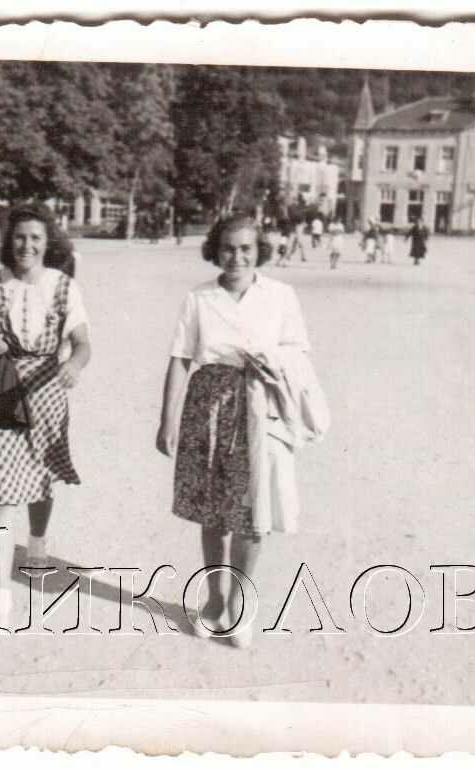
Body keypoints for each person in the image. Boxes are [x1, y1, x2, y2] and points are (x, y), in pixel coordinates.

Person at [156, 212, 327, 649]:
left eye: (246, 248)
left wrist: (272, 359)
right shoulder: (200, 297)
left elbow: (299, 352)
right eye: (229, 248)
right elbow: (180, 358)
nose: (237, 256)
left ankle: (241, 603)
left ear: (259, 251)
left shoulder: (281, 295)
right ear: (216, 249)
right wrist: (168, 419)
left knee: (256, 512)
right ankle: (214, 600)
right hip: (209, 405)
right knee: (214, 513)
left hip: (263, 404)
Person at [0, 202, 91, 631]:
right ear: (8, 241)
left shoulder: (63, 285)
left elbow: (83, 342)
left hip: (47, 390)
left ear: (48, 242)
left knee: (42, 476)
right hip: (4, 392)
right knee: (1, 491)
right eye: (19, 237)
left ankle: (36, 543)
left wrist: (75, 363)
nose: (26, 245)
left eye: (35, 237)